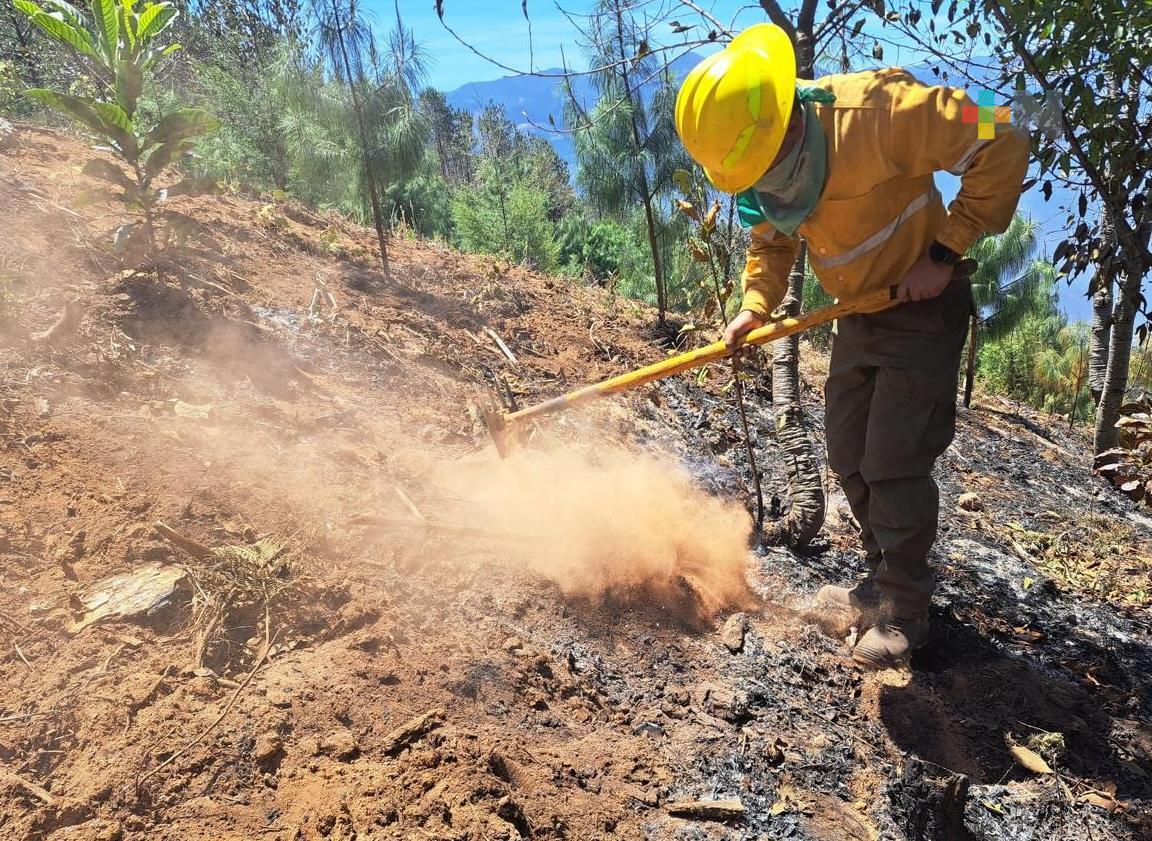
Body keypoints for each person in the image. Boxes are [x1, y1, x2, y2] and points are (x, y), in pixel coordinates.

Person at [674, 24, 1030, 668]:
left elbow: (1002, 130)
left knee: (893, 459)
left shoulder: (881, 110)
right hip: (857, 315)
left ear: (785, 120)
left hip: (920, 307)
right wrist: (755, 307)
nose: (760, 183)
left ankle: (905, 609)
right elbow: (773, 239)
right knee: (849, 451)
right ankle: (880, 578)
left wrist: (947, 251)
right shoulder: (759, 162)